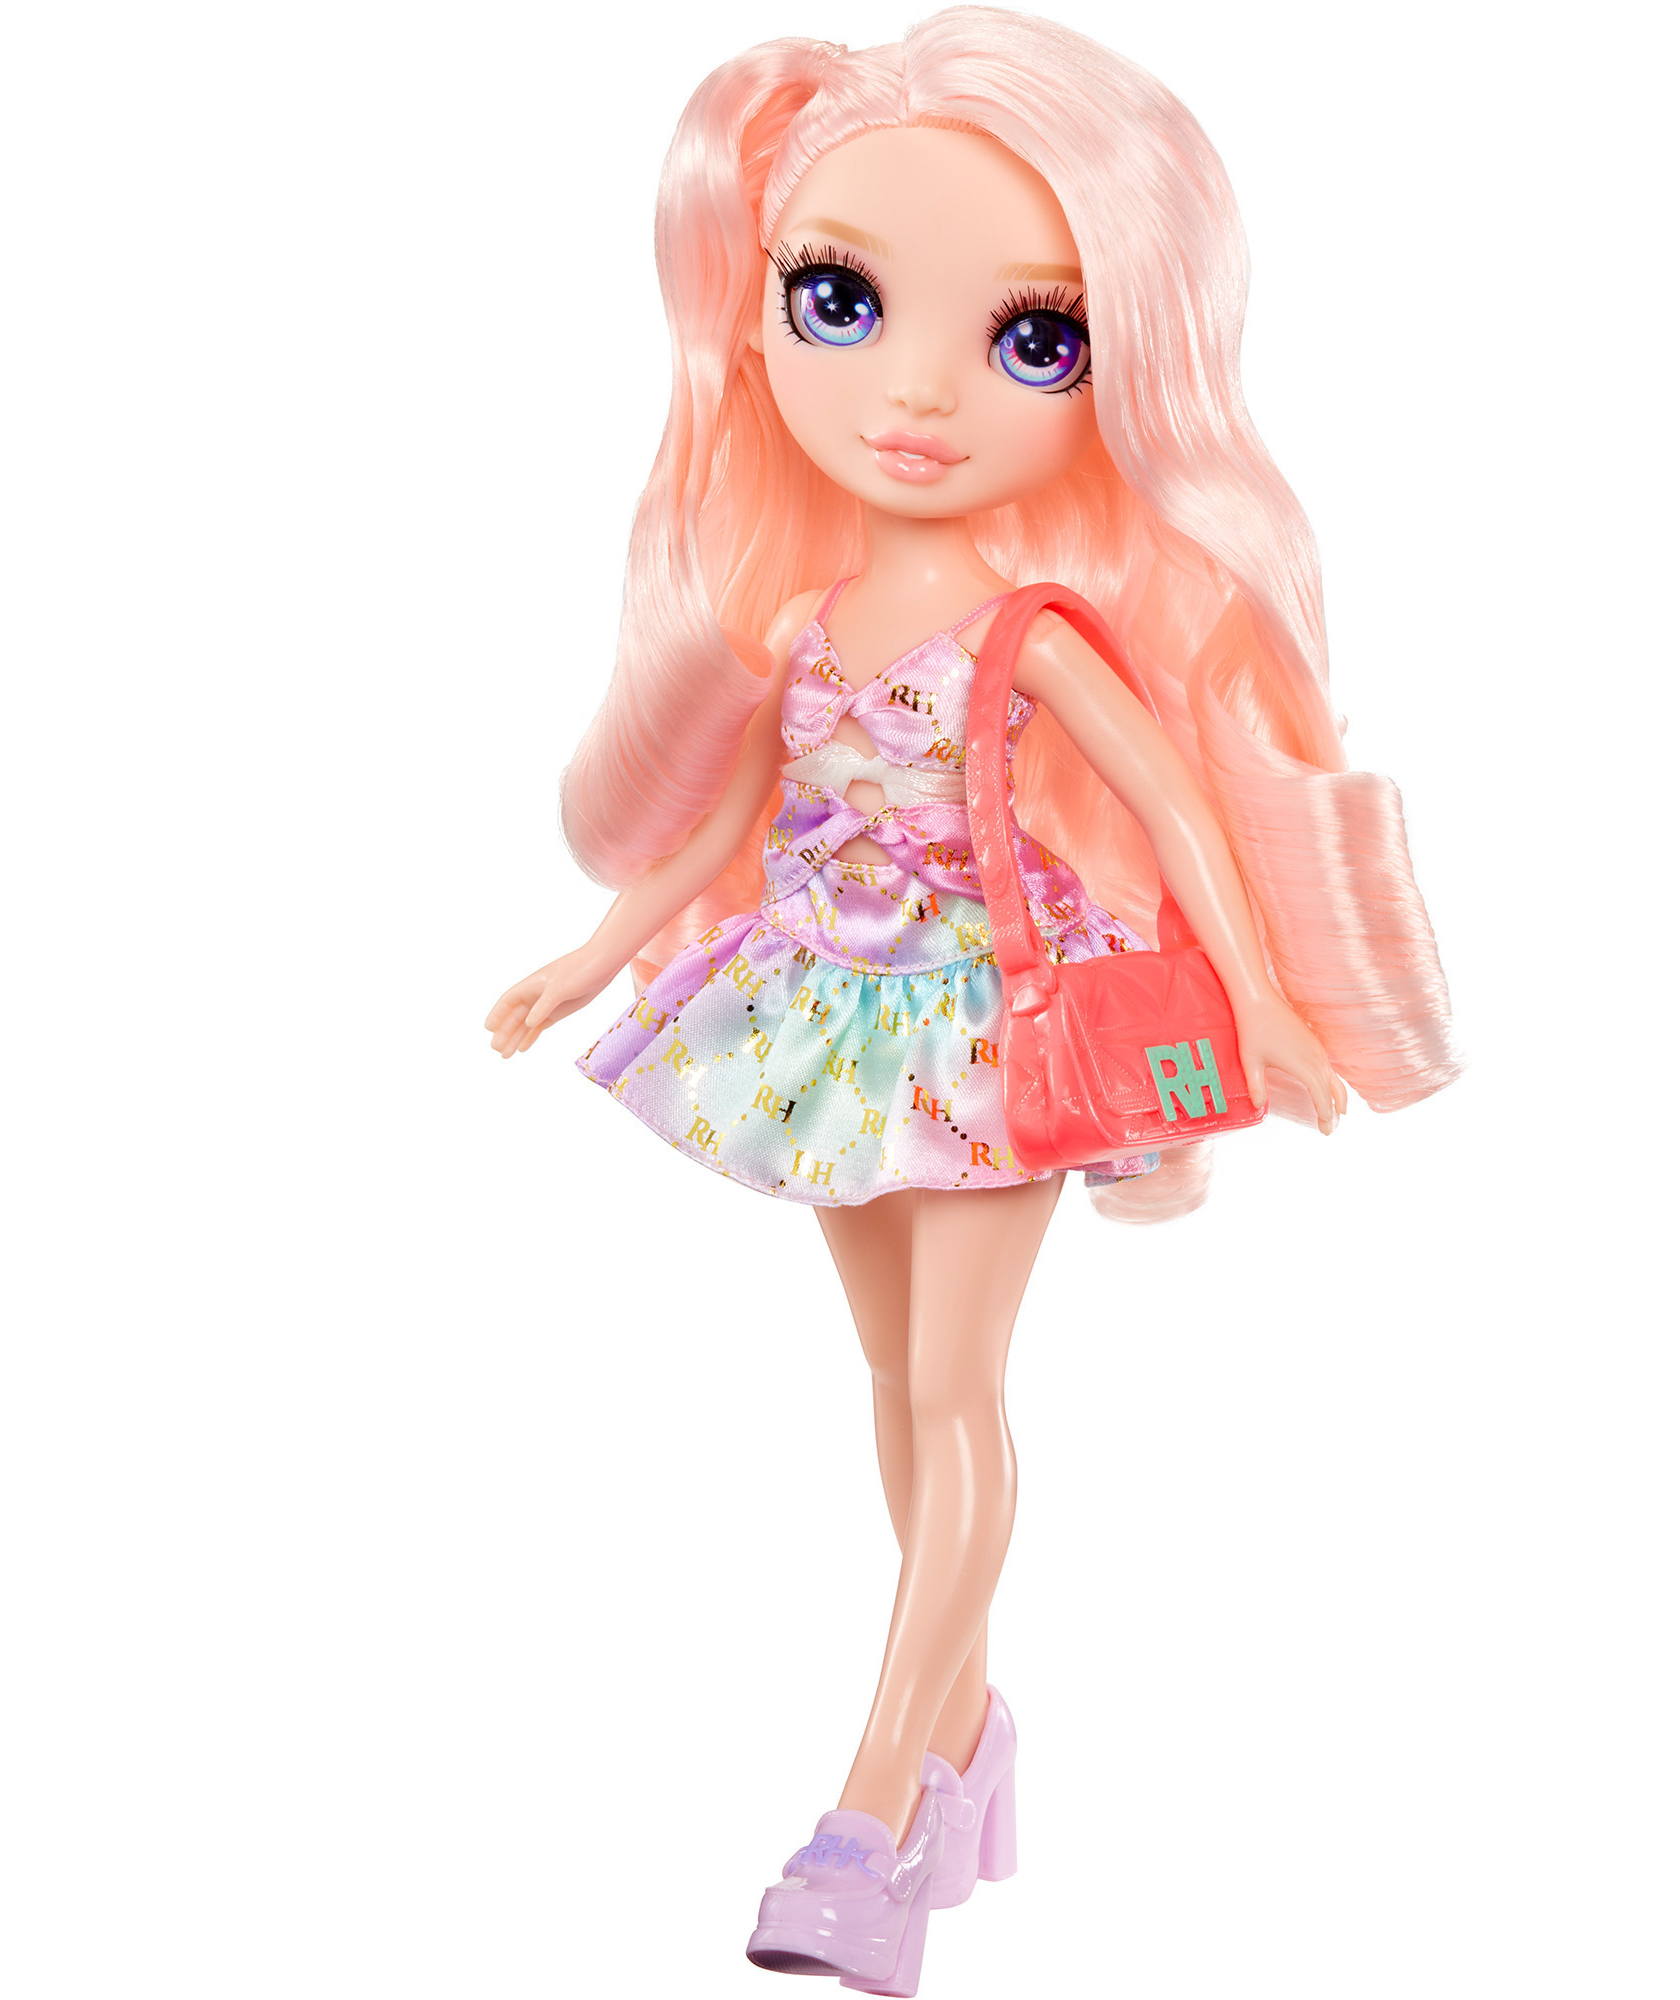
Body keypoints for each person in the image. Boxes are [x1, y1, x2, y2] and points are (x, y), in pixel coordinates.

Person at [484, 12, 1458, 1991]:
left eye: (1033, 337)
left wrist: (1266, 1002)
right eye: (839, 303)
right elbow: (732, 829)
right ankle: (973, 1727)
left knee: (955, 1394)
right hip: (815, 1016)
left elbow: (1175, 804)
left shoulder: (1033, 632)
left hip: (981, 1031)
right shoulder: (804, 624)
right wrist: (592, 952)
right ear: (751, 322)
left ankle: (872, 1813)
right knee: (890, 1390)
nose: (917, 392)